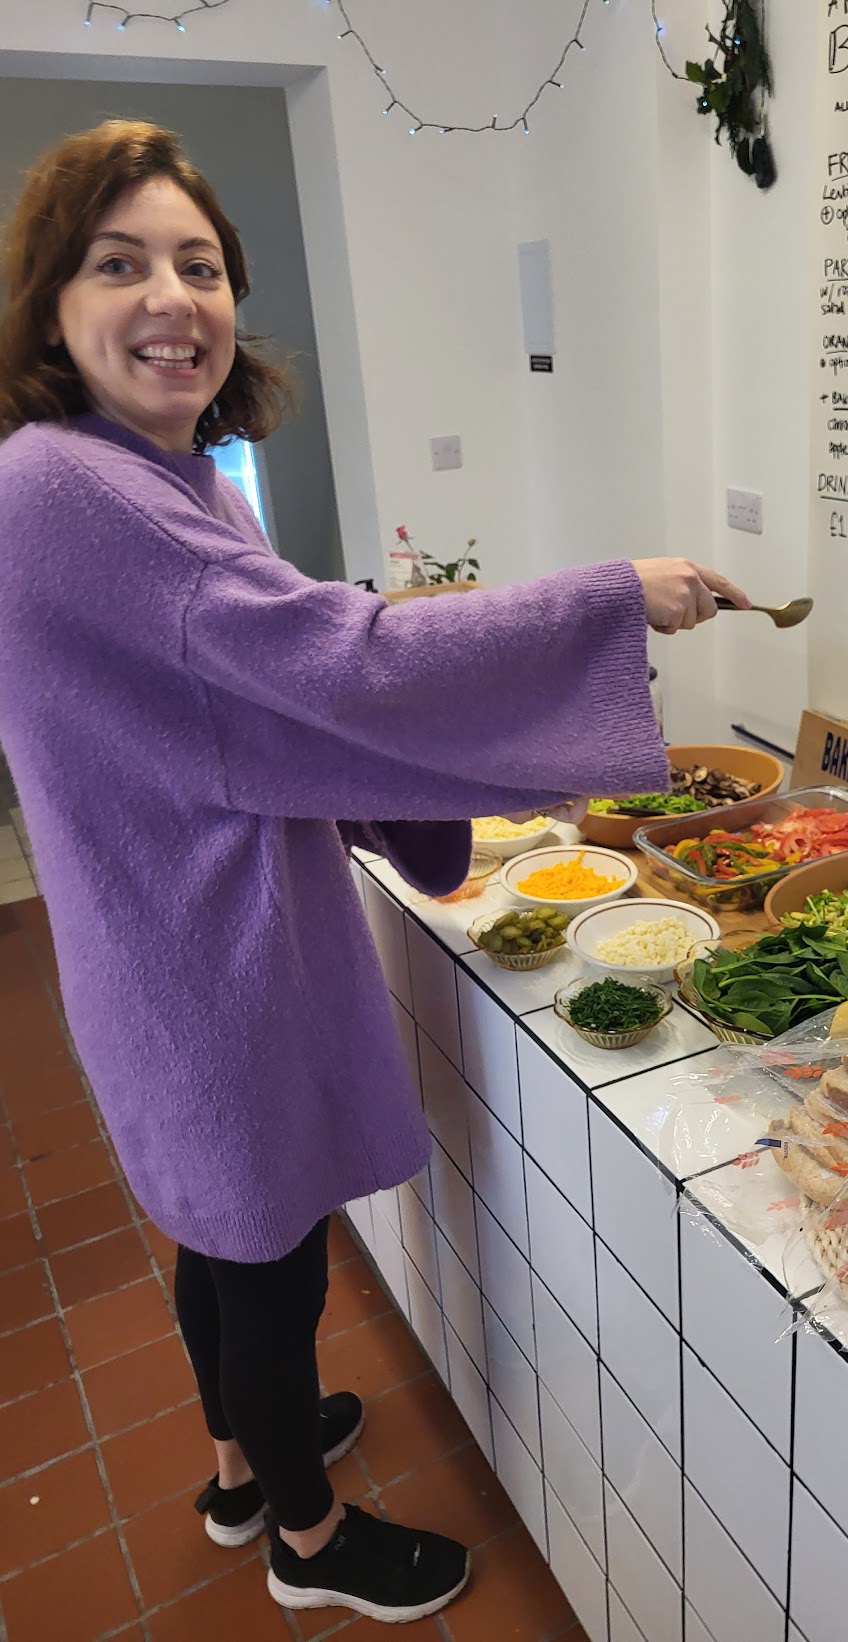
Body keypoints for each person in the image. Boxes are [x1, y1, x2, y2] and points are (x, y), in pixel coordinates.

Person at [0, 120, 750, 1625]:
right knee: (265, 1253)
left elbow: (267, 681)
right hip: (198, 949)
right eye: (121, 263)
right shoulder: (64, 489)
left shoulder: (158, 473)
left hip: (176, 927)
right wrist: (613, 597)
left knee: (224, 1229)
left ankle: (235, 1462)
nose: (173, 299)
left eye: (200, 266)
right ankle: (309, 1537)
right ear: (48, 301)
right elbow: (330, 665)